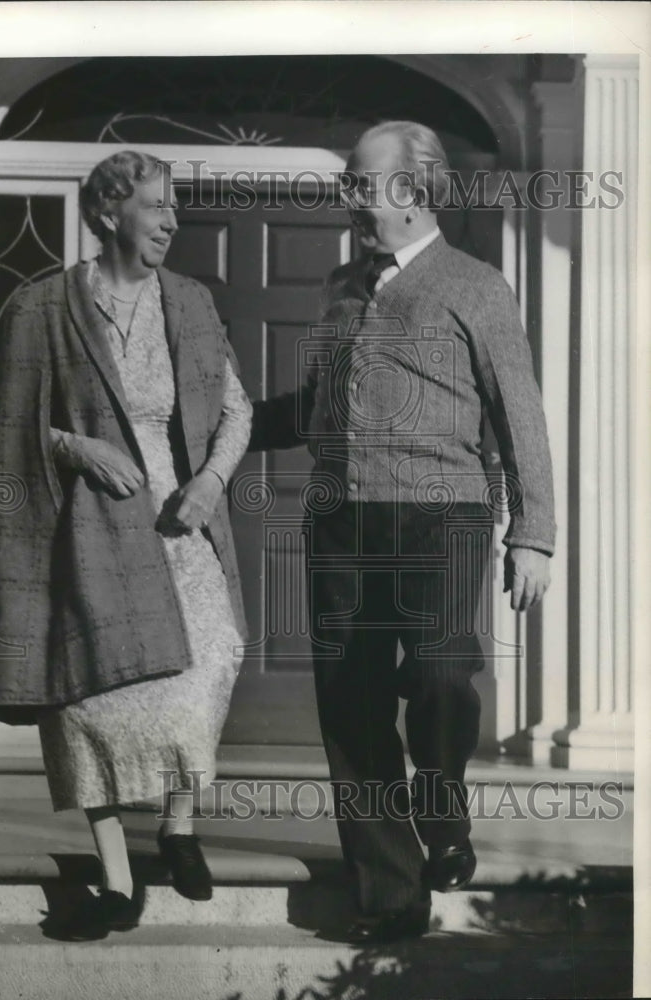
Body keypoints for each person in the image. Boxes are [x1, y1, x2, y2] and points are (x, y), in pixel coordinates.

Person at [249, 121, 555, 944]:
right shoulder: (339, 286)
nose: (347, 198)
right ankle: (388, 896)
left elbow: (516, 413)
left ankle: (442, 802)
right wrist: (214, 428)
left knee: (441, 671)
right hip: (342, 518)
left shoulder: (476, 285)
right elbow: (314, 410)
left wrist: (534, 531)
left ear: (414, 191)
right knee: (348, 707)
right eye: (348, 183)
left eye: (360, 184)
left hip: (442, 514)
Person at [0, 150, 252, 939]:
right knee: (84, 696)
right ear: (106, 214)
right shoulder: (39, 309)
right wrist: (78, 447)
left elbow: (234, 411)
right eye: (156, 205)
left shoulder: (191, 304)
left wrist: (208, 485)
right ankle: (116, 879)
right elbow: (17, 425)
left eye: (174, 207)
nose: (172, 220)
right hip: (87, 526)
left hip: (181, 521)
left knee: (213, 655)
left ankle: (179, 825)